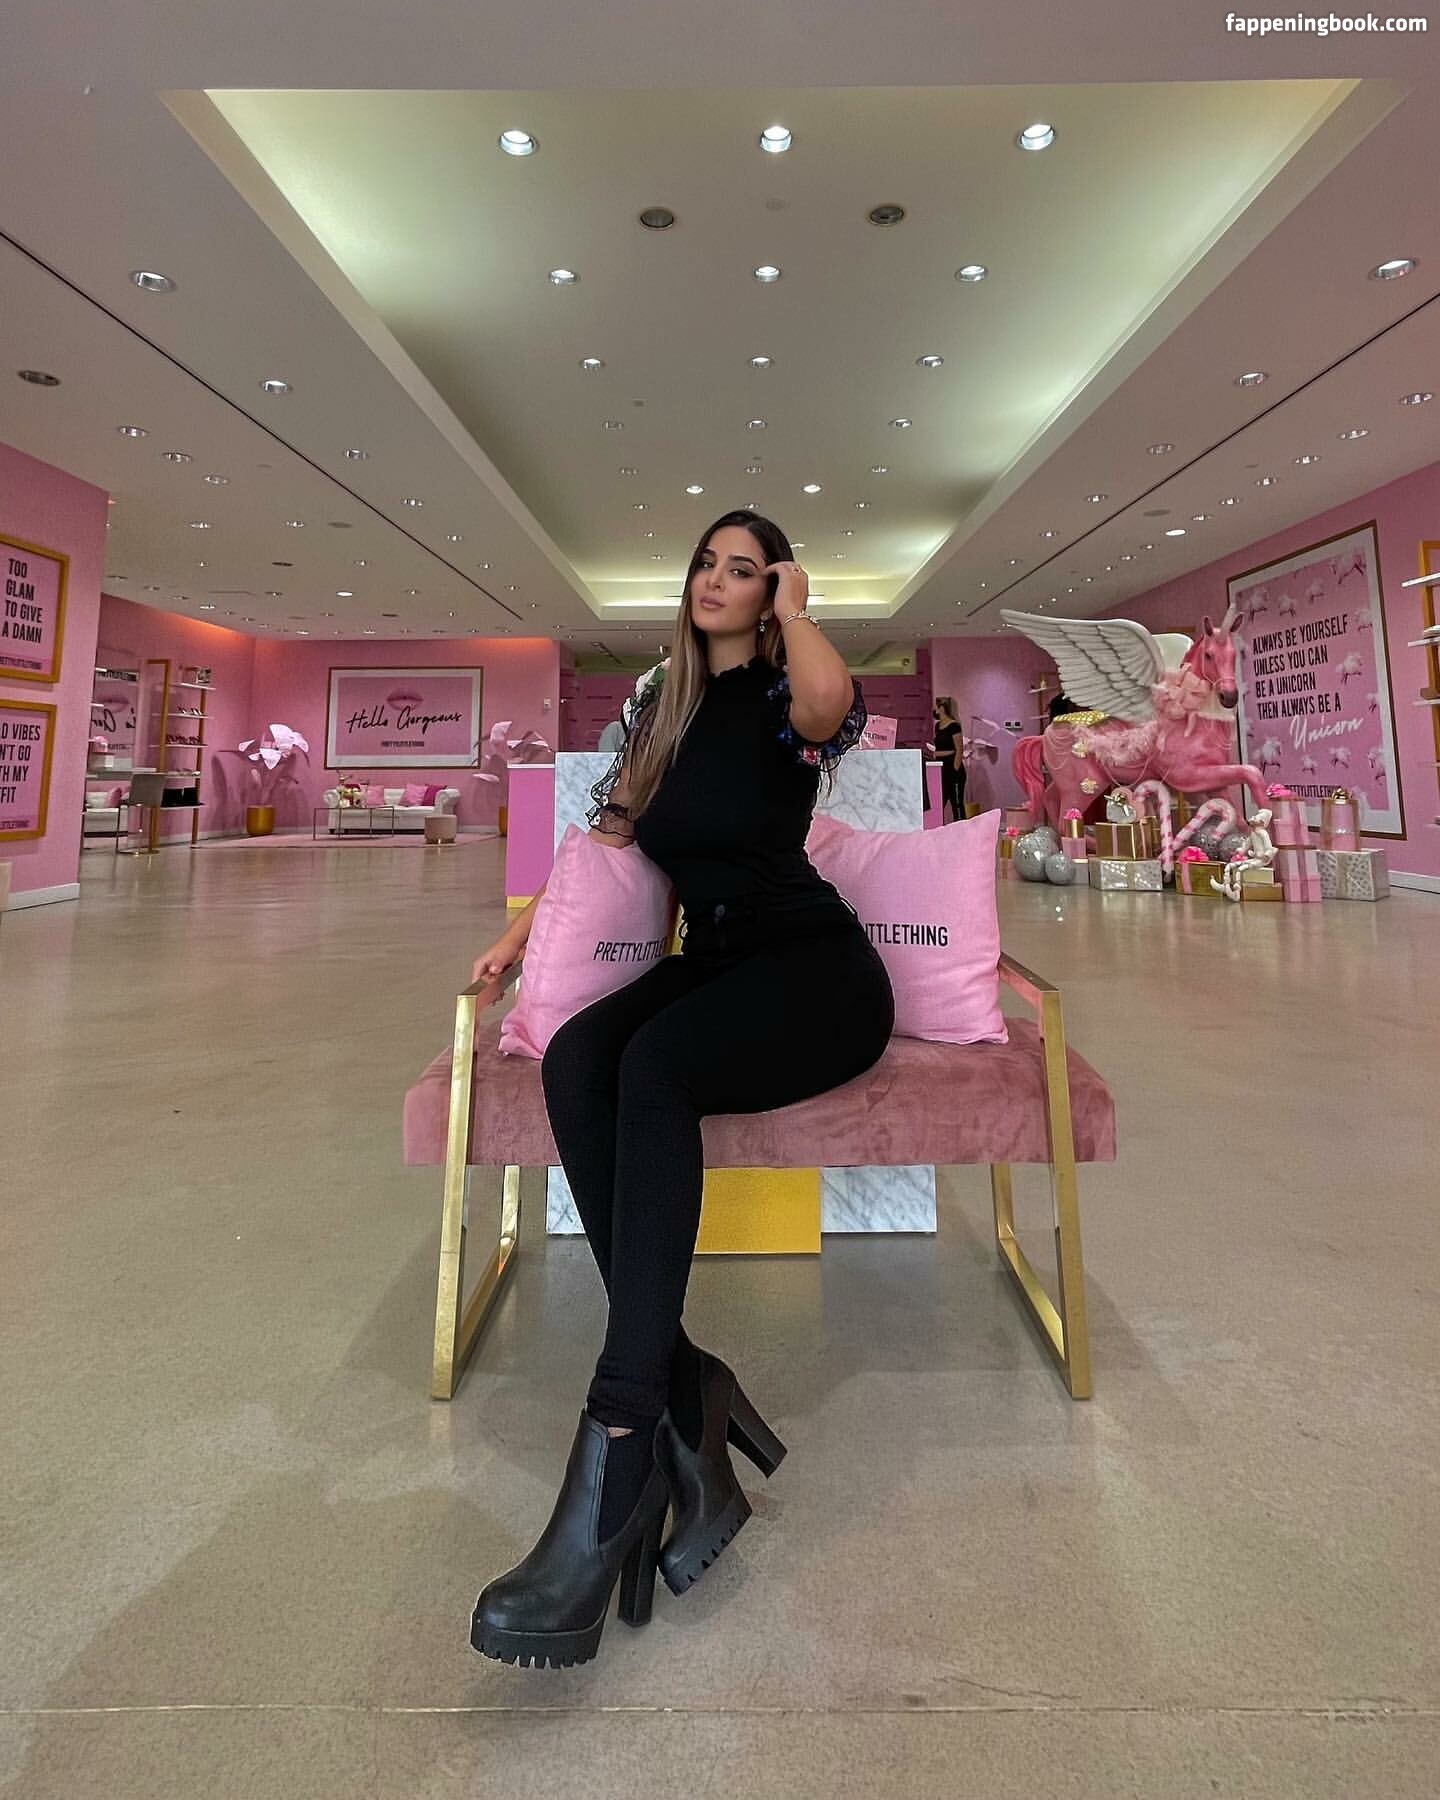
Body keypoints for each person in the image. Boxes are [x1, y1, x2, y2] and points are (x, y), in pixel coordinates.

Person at [467, 511, 895, 1669]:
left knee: (654, 1069)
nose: (716, 580)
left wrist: (797, 609)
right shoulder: (663, 705)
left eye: (743, 570)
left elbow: (829, 704)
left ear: (772, 590)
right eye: (708, 563)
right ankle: (687, 1380)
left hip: (815, 974)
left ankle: (625, 1429)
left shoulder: (787, 694)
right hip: (716, 961)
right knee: (580, 1057)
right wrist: (520, 935)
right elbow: (604, 843)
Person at [928, 696, 966, 823]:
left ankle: (962, 828)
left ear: (942, 708)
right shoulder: (938, 726)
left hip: (952, 766)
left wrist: (955, 768)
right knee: (939, 802)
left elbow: (959, 749)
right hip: (941, 767)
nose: (934, 709)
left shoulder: (954, 726)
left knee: (957, 803)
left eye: (936, 706)